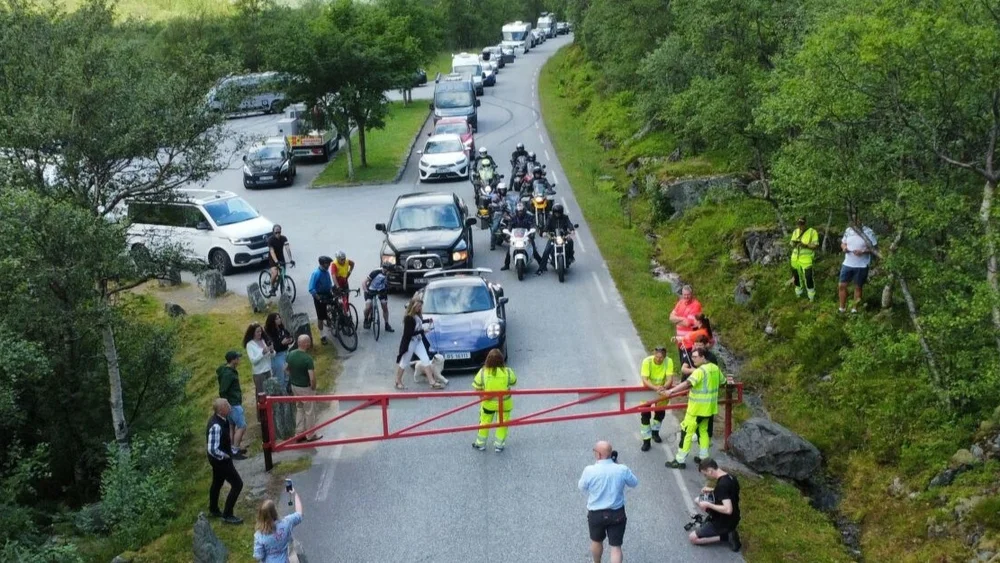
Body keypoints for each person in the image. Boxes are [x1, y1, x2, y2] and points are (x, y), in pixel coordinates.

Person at [578, 441, 638, 563]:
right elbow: (634, 483)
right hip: (617, 513)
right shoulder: (622, 469)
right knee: (616, 547)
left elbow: (582, 487)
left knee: (596, 541)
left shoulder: (589, 470)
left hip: (596, 514)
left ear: (599, 454)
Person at [664, 349, 722, 469]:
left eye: (695, 357)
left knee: (686, 433)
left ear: (703, 357)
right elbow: (724, 382)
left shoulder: (700, 371)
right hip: (709, 409)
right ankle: (704, 458)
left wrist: (670, 391)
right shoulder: (715, 369)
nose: (693, 359)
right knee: (703, 432)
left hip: (696, 410)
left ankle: (679, 460)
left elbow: (687, 384)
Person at [690, 457, 742, 552]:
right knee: (698, 500)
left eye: (705, 474)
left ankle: (725, 536)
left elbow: (728, 510)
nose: (706, 476)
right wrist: (711, 489)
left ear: (710, 471)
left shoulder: (722, 486)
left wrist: (708, 505)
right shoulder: (730, 477)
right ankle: (713, 518)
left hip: (724, 522)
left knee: (693, 538)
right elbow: (728, 492)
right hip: (735, 516)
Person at [206, 398, 244, 525]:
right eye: (227, 405)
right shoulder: (216, 425)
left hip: (219, 460)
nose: (229, 406)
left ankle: (213, 509)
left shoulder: (223, 419)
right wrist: (225, 456)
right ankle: (227, 514)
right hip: (220, 460)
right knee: (237, 484)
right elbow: (212, 449)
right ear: (221, 410)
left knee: (217, 482)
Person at [472, 349, 517, 452]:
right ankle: (499, 445)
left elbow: (477, 387)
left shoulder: (483, 372)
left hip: (488, 403)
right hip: (504, 404)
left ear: (488, 359)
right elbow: (514, 381)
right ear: (501, 360)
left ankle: (480, 444)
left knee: (484, 422)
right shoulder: (508, 372)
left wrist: (482, 398)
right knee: (503, 423)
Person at [394, 298, 443, 390]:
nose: (420, 308)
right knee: (404, 362)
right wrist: (423, 330)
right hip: (410, 342)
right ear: (413, 306)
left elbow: (419, 322)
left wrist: (428, 320)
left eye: (421, 306)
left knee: (425, 359)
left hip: (418, 341)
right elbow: (408, 333)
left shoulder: (417, 315)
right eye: (418, 306)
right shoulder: (408, 318)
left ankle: (432, 381)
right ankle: (398, 380)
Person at [638, 346, 676, 452]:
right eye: (657, 357)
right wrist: (655, 388)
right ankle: (646, 440)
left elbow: (669, 379)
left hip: (662, 390)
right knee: (645, 415)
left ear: (665, 356)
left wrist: (664, 387)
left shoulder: (669, 362)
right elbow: (645, 379)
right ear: (654, 354)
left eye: (661, 358)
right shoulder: (647, 361)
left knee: (660, 413)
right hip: (647, 390)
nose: (658, 359)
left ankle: (655, 432)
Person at [285, 335, 322, 443]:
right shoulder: (307, 359)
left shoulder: (291, 354)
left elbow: (285, 369)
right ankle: (311, 434)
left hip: (294, 386)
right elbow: (312, 376)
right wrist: (313, 386)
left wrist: (292, 376)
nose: (310, 343)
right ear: (305, 343)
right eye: (308, 341)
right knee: (310, 411)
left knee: (300, 409)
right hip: (305, 388)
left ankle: (299, 433)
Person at [253, 490, 304, 562]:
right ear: (275, 511)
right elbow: (299, 513)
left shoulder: (259, 536)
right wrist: (295, 494)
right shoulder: (286, 523)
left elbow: (258, 556)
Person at [839, 223, 877, 314]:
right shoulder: (849, 230)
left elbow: (874, 248)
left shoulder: (868, 231)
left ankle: (854, 310)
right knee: (842, 286)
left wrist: (863, 251)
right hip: (847, 263)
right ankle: (842, 309)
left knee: (858, 287)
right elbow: (843, 243)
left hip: (861, 265)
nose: (855, 221)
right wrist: (844, 248)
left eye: (857, 218)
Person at [217, 351, 248, 460]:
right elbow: (223, 390)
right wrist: (227, 404)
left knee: (232, 426)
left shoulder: (226, 371)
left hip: (230, 404)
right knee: (242, 426)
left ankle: (232, 448)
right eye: (237, 358)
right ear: (233, 360)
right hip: (233, 404)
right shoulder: (229, 374)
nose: (239, 360)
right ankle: (235, 450)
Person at [501, 202, 542, 271]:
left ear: (524, 210)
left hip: (527, 236)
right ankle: (506, 265)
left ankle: (542, 264)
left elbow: (533, 225)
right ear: (516, 211)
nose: (520, 212)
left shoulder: (529, 217)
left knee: (533, 250)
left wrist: (532, 234)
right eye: (519, 211)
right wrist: (508, 235)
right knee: (509, 251)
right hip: (516, 237)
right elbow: (510, 226)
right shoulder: (514, 217)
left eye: (521, 211)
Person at [537, 203, 575, 275]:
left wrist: (572, 229)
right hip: (553, 236)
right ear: (553, 212)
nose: (557, 214)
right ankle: (541, 268)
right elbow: (547, 225)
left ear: (561, 212)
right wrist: (545, 231)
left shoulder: (565, 217)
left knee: (570, 241)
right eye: (556, 212)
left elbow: (569, 223)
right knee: (547, 250)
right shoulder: (550, 217)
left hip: (563, 236)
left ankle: (570, 256)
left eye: (559, 213)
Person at [790, 217, 819, 301]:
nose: (800, 226)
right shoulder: (795, 232)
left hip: (806, 260)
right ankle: (798, 294)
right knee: (796, 277)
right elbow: (791, 242)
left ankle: (811, 297)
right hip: (795, 259)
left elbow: (815, 245)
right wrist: (794, 244)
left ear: (805, 223)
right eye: (798, 224)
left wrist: (805, 245)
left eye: (802, 224)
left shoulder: (812, 232)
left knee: (808, 277)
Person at [669, 285, 703, 357]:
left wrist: (676, 319)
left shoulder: (696, 305)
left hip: (690, 343)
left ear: (692, 294)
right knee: (682, 363)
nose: (686, 297)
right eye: (684, 295)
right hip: (680, 341)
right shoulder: (680, 302)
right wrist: (682, 318)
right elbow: (671, 318)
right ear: (682, 294)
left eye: (688, 295)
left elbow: (687, 323)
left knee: (689, 364)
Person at [308, 256, 334, 345]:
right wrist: (318, 297)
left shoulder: (326, 272)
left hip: (327, 293)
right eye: (328, 263)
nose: (329, 265)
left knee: (335, 304)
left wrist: (333, 289)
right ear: (322, 264)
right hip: (319, 295)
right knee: (320, 317)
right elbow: (311, 288)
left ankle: (332, 323)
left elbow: (330, 283)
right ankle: (322, 336)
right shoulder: (316, 273)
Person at [264, 313, 294, 392]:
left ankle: (287, 395)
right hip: (277, 356)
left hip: (286, 353)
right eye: (277, 319)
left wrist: (290, 340)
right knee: (280, 377)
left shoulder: (282, 329)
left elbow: (290, 336)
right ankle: (282, 398)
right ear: (272, 321)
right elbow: (272, 348)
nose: (279, 320)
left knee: (287, 376)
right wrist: (281, 343)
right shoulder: (268, 333)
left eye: (279, 318)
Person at [362, 262, 394, 333]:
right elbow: (364, 282)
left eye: (388, 270)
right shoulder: (375, 272)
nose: (386, 271)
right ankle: (366, 319)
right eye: (385, 269)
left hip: (381, 291)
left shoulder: (389, 275)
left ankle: (386, 324)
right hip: (370, 290)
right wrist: (366, 291)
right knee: (368, 307)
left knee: (385, 307)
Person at [244, 322, 275, 397]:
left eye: (260, 331)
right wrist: (262, 353)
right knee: (262, 395)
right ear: (253, 333)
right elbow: (253, 361)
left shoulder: (264, 341)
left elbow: (273, 356)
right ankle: (262, 409)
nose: (260, 333)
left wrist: (272, 351)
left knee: (270, 393)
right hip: (259, 373)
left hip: (268, 371)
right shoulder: (250, 344)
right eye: (257, 331)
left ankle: (270, 408)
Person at [266, 225, 293, 295]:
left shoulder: (284, 238)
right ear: (273, 232)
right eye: (276, 232)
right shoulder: (270, 240)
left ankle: (282, 289)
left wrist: (291, 259)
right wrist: (276, 261)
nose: (278, 234)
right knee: (275, 274)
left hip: (281, 258)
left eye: (279, 232)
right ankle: (272, 288)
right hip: (273, 259)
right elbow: (272, 252)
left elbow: (287, 248)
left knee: (282, 274)